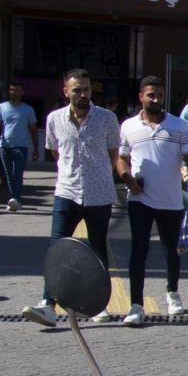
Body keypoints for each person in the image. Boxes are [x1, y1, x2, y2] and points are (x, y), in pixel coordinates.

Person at [22, 69, 122, 327]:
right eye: (77, 89)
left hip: (99, 193)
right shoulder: (55, 119)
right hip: (66, 191)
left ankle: (100, 304)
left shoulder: (107, 118)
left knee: (98, 249)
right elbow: (57, 153)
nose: (83, 94)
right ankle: (48, 305)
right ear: (65, 91)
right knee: (58, 249)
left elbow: (113, 153)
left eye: (86, 89)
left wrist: (99, 174)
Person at [115, 76, 188, 327]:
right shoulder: (128, 126)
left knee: (171, 250)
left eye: (160, 95)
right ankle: (136, 305)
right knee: (138, 250)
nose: (156, 100)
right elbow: (121, 158)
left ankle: (172, 292)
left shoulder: (178, 126)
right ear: (141, 96)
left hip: (171, 199)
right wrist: (128, 180)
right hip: (140, 198)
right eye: (151, 95)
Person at [0, 81, 40, 212]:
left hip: (21, 146)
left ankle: (15, 199)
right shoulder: (1, 108)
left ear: (22, 92)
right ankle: (14, 199)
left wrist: (36, 148)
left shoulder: (28, 109)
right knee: (8, 175)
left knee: (17, 174)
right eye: (12, 90)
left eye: (17, 90)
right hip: (5, 146)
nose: (14, 92)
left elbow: (34, 129)